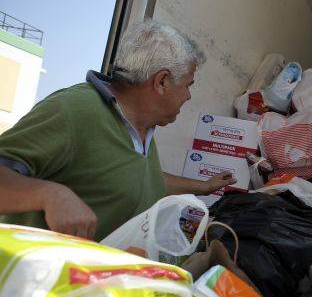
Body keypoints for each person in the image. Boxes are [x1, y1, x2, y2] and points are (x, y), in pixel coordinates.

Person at [0, 20, 235, 241]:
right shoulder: (74, 109)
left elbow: (140, 181)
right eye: (188, 85)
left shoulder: (143, 129)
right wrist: (49, 195)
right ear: (161, 81)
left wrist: (203, 186)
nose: (188, 96)